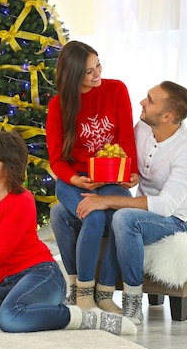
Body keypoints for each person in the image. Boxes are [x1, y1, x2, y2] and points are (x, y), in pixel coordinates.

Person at [0, 130, 136, 335]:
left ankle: (85, 318)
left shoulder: (21, 201)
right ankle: (29, 309)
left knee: (10, 319)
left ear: (8, 167)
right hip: (7, 282)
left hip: (41, 274)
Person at [75, 81, 187, 324]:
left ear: (167, 116)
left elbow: (165, 206)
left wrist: (106, 200)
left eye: (150, 100)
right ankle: (84, 292)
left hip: (178, 220)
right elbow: (127, 164)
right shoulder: (143, 128)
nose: (142, 102)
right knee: (66, 211)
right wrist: (126, 176)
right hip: (147, 213)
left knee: (123, 216)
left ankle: (133, 303)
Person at [46, 40, 139, 312]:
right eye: (89, 71)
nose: (97, 73)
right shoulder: (58, 105)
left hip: (111, 177)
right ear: (74, 74)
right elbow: (57, 160)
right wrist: (75, 180)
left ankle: (105, 293)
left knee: (119, 216)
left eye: (98, 65)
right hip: (73, 179)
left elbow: (125, 136)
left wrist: (130, 170)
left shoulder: (116, 89)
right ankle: (83, 292)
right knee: (94, 214)